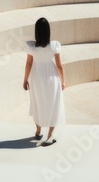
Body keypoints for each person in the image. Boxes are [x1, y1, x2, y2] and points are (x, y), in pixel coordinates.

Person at [22, 17, 65, 146]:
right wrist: (63, 81)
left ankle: (38, 130)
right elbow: (59, 66)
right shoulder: (54, 45)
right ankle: (50, 135)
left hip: (36, 76)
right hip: (51, 76)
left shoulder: (31, 46)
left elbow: (29, 63)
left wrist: (25, 80)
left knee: (37, 102)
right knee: (53, 104)